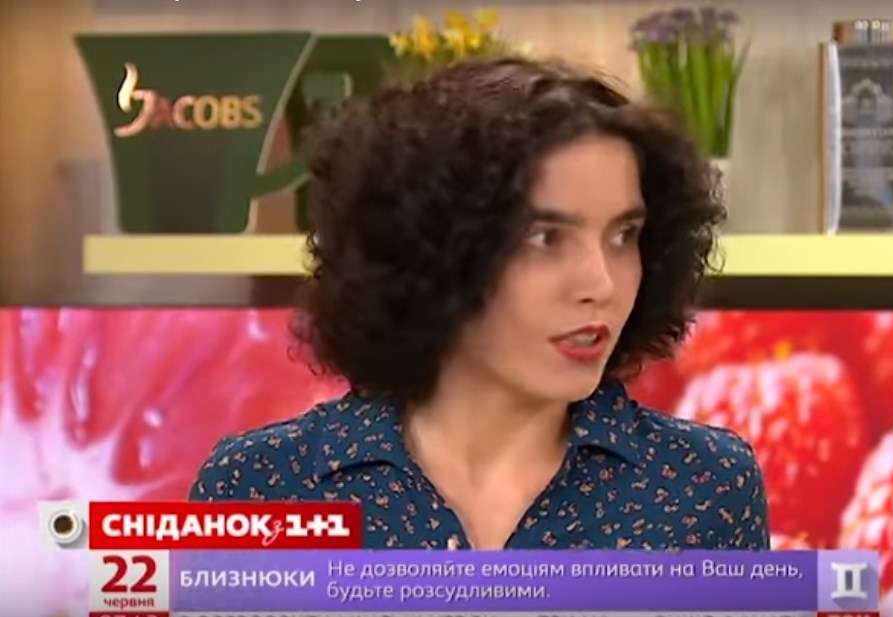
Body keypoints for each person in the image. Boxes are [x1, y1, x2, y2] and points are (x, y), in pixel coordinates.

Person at [189, 56, 770, 551]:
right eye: (546, 238)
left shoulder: (704, 488)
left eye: (624, 235)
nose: (601, 282)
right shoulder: (262, 486)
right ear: (432, 250)